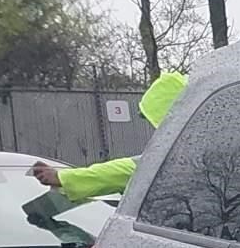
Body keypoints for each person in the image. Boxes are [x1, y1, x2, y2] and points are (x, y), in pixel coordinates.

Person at [30, 71, 188, 202]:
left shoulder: (180, 156)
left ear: (170, 116)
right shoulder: (203, 139)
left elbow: (131, 169)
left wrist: (63, 178)